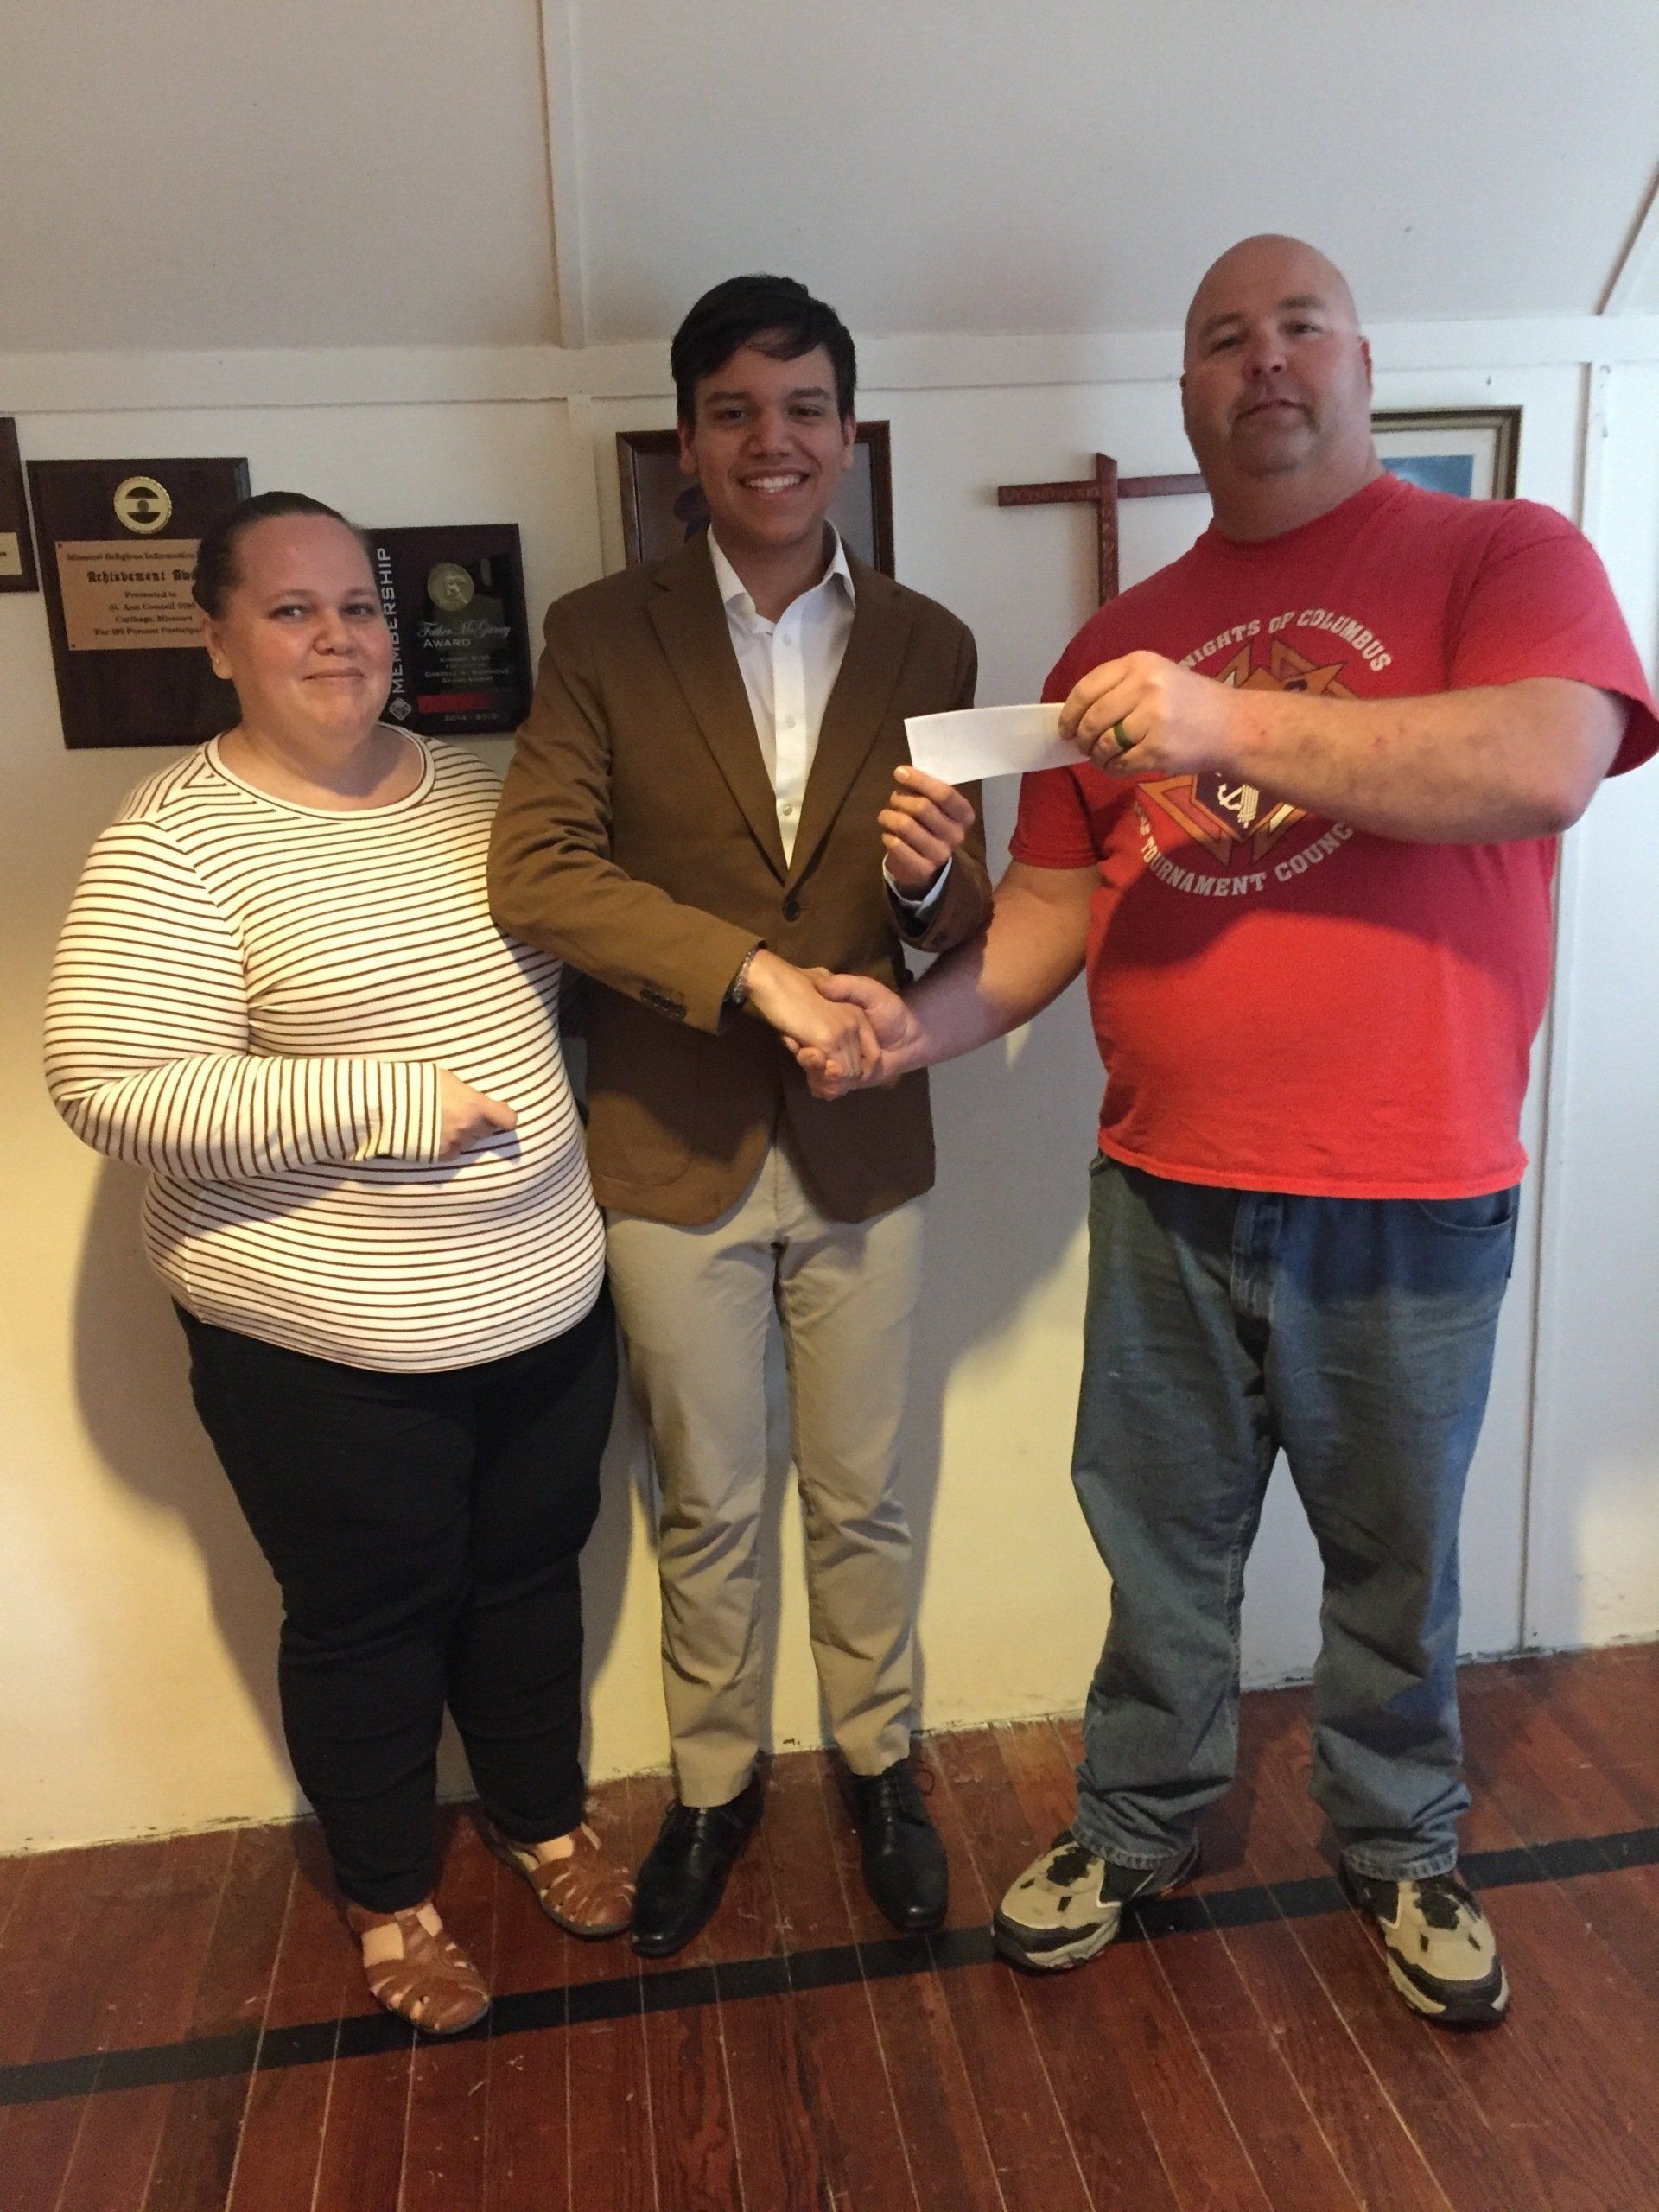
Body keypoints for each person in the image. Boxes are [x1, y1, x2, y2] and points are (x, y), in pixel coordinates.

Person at [794, 235, 1659, 2028]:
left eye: (1299, 326)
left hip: (1411, 1187)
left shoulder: (1504, 557)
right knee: (1159, 1543)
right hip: (1166, 1187)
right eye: (1222, 338)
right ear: (1185, 391)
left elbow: (1543, 762)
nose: (1264, 359)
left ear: (1364, 362)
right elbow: (1050, 912)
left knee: (1393, 1559)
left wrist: (1221, 718)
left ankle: (1401, 1842)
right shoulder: (1107, 651)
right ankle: (1139, 1820)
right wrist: (904, 1033)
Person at [45, 491, 633, 2036]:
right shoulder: (174, 842)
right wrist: (386, 1102)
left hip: (544, 1300)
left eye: (359, 606)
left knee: (528, 1581)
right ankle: (387, 1894)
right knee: (371, 1620)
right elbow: (107, 1085)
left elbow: (570, 978)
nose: (338, 638)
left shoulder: (482, 790)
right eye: (291, 609)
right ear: (217, 638)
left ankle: (540, 1818)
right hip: (322, 1347)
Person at [488, 274, 993, 1955]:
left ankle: (881, 1766)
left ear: (847, 433)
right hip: (666, 1139)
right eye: (735, 411)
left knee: (862, 1490)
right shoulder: (598, 634)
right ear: (688, 440)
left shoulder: (929, 639)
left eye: (803, 409)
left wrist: (927, 889)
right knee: (705, 1498)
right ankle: (713, 1787)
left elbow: (965, 922)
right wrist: (753, 974)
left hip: (865, 1140)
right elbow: (538, 872)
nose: (772, 440)